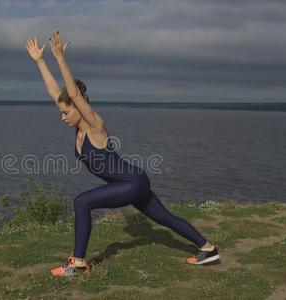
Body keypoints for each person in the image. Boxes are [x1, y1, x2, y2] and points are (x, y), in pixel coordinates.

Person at [25, 31, 220, 277]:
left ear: (78, 108)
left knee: (81, 202)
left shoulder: (95, 125)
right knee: (165, 218)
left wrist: (61, 59)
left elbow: (72, 94)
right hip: (132, 182)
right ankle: (208, 248)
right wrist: (40, 61)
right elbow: (58, 93)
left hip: (131, 182)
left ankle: (77, 263)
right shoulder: (78, 129)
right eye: (61, 112)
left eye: (66, 112)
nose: (62, 116)